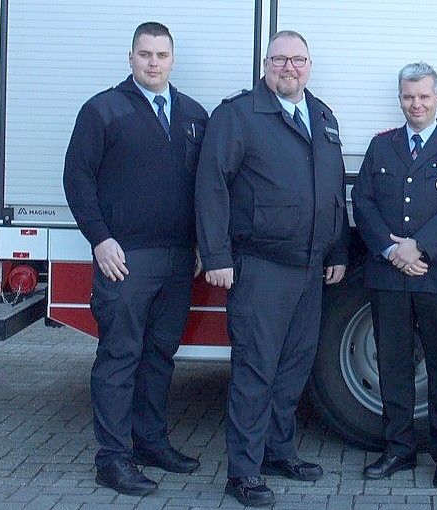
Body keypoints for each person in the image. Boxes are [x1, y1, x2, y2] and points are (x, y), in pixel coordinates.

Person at [194, 30, 348, 507]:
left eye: (298, 60)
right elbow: (211, 186)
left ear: (309, 66)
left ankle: (279, 451)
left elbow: (333, 191)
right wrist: (216, 256)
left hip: (310, 269)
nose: (289, 68)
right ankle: (243, 471)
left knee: (294, 367)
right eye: (280, 59)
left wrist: (338, 250)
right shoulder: (238, 115)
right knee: (255, 370)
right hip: (260, 267)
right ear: (265, 64)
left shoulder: (322, 116)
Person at [63, 22, 208, 496]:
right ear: (130, 57)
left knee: (159, 356)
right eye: (145, 54)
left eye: (161, 55)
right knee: (119, 357)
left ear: (172, 59)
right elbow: (77, 179)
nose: (153, 63)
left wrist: (203, 244)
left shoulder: (192, 114)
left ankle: (150, 443)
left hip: (176, 260)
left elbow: (205, 188)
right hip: (123, 260)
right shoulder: (102, 110)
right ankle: (113, 459)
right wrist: (99, 239)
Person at [351, 62, 437, 489]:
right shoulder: (381, 145)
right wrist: (393, 251)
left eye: (424, 96)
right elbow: (363, 201)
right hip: (390, 274)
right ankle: (398, 449)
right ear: (400, 99)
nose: (416, 104)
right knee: (393, 364)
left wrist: (417, 246)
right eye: (409, 97)